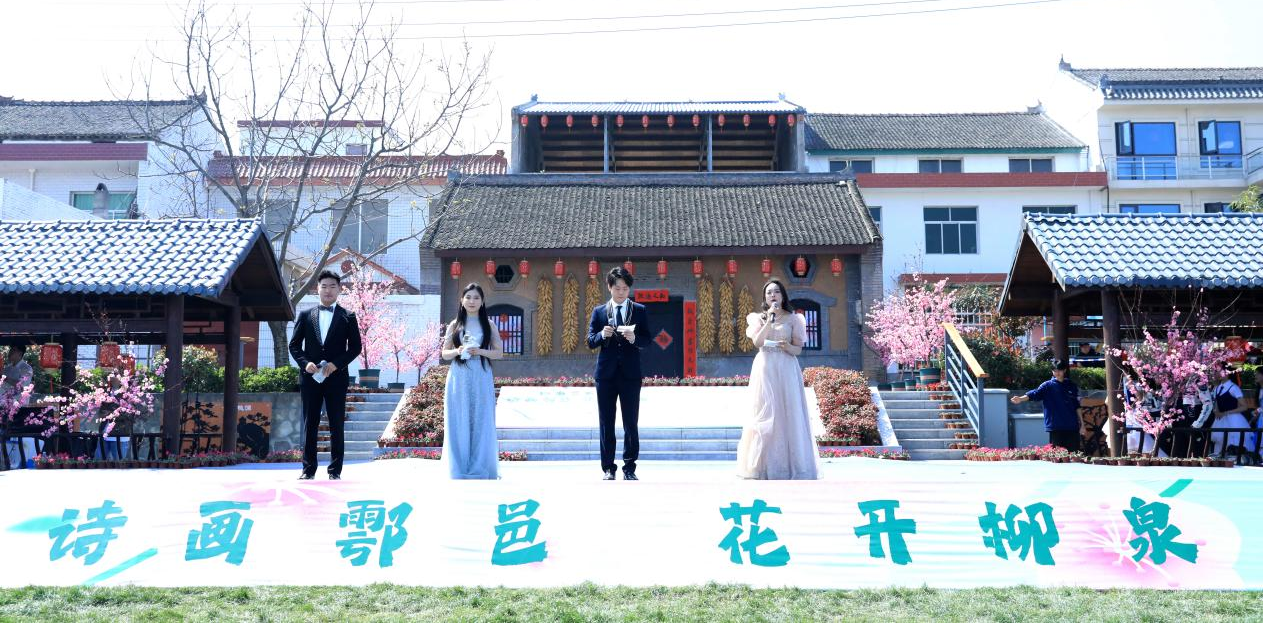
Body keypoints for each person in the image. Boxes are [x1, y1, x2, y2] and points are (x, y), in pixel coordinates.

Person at [736, 279, 820, 480]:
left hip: (786, 366)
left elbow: (798, 349)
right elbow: (758, 342)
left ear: (783, 296)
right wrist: (769, 321)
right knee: (764, 413)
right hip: (765, 367)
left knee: (788, 413)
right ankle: (761, 467)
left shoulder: (794, 319)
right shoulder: (758, 318)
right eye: (769, 293)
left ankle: (790, 466)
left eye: (776, 292)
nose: (772, 295)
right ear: (765, 298)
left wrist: (787, 347)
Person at [288, 270, 362, 480]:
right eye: (324, 286)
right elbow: (294, 345)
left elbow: (355, 347)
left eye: (332, 286)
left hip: (336, 379)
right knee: (309, 423)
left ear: (339, 289)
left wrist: (336, 365)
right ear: (317, 289)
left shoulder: (348, 316)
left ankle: (335, 471)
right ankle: (308, 469)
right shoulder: (305, 315)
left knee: (336, 424)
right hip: (310, 379)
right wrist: (306, 364)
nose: (328, 290)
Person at [585, 267, 650, 481]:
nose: (621, 292)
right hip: (605, 375)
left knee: (631, 422)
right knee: (606, 422)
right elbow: (590, 341)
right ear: (609, 287)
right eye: (617, 288)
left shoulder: (639, 310)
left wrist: (634, 338)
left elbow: (647, 340)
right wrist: (601, 335)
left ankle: (629, 467)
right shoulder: (599, 311)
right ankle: (608, 468)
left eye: (625, 288)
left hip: (630, 375)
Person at [440, 283, 504, 479]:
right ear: (462, 300)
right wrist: (457, 351)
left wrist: (480, 351)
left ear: (482, 301)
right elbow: (444, 354)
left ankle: (480, 466)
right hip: (459, 377)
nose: (472, 301)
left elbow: (499, 353)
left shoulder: (489, 325)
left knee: (481, 419)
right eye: (468, 297)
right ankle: (459, 467)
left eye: (476, 297)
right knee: (459, 419)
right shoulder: (454, 325)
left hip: (481, 376)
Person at [1011, 359, 1081, 452]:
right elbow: (1034, 394)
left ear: (1064, 370)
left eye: (1059, 370)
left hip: (1072, 426)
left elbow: (1077, 405)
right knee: (1058, 456)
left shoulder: (1071, 385)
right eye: (1055, 370)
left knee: (1074, 455)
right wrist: (1020, 398)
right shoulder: (1047, 386)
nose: (1057, 373)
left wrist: (1082, 425)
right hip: (1056, 427)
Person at [1207, 367, 1250, 458]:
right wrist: (1216, 411)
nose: (1218, 374)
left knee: (1233, 440)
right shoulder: (1217, 388)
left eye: (1221, 372)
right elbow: (1217, 403)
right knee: (1220, 442)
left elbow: (1244, 406)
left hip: (1234, 420)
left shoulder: (1233, 387)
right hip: (1221, 419)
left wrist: (1226, 412)